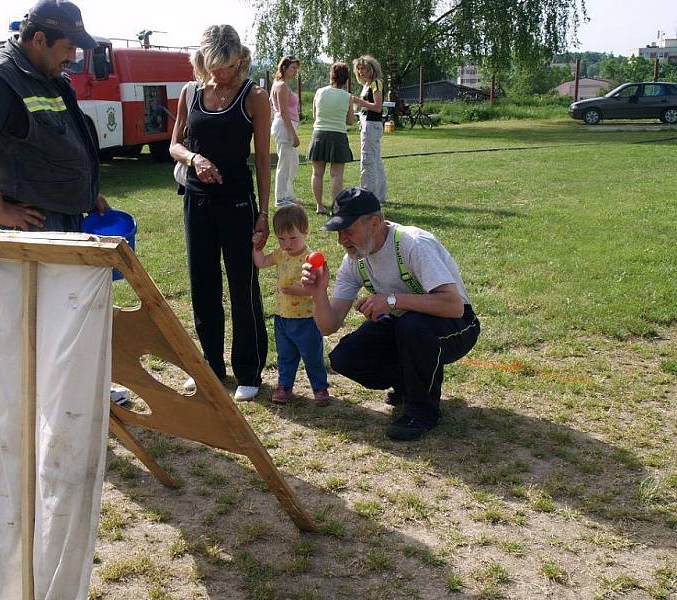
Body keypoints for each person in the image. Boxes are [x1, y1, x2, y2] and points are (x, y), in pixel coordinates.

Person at [301, 187, 480, 441]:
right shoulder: (354, 260)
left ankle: (422, 411)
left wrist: (391, 300)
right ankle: (409, 384)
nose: (342, 240)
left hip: (458, 326)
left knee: (413, 326)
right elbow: (328, 326)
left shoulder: (413, 244)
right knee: (345, 356)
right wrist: (318, 292)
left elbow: (453, 305)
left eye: (348, 230)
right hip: (405, 326)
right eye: (339, 232)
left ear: (374, 223)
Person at [169, 25, 270, 402]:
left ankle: (249, 368)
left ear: (239, 60)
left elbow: (262, 159)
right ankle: (210, 367)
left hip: (238, 201)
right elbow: (175, 144)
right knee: (203, 283)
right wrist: (195, 159)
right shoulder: (189, 92)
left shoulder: (254, 97)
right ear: (204, 60)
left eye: (228, 66)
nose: (221, 74)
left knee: (243, 284)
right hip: (197, 200)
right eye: (215, 66)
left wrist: (263, 213)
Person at [0, 0, 109, 232]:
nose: (73, 57)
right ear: (39, 40)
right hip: (32, 227)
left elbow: (62, 143)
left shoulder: (49, 75)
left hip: (63, 217)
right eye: (68, 47)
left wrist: (86, 194)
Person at [252, 204, 331, 406]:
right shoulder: (280, 253)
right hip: (283, 317)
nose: (287, 243)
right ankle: (284, 386)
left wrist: (300, 290)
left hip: (306, 319)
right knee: (285, 356)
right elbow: (261, 262)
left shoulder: (310, 258)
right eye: (281, 238)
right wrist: (256, 249)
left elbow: (317, 287)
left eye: (293, 238)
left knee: (312, 356)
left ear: (305, 232)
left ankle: (320, 388)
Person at [307, 62, 355, 215]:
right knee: (337, 175)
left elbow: (315, 115)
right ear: (346, 79)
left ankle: (319, 206)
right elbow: (350, 120)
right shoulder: (348, 97)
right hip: (338, 136)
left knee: (317, 173)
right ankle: (335, 207)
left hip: (319, 134)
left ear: (331, 76)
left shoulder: (319, 92)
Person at [351, 55, 387, 204]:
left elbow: (378, 107)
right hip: (367, 124)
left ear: (371, 69)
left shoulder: (376, 83)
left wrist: (359, 102)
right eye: (358, 69)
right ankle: (379, 195)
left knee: (368, 161)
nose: (360, 72)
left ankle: (368, 196)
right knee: (375, 160)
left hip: (371, 124)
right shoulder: (367, 85)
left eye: (363, 68)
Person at [270, 56, 302, 207]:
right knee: (285, 163)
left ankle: (288, 195)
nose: (295, 71)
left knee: (292, 163)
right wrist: (293, 134)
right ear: (284, 68)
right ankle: (281, 198)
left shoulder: (283, 85)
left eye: (296, 68)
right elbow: (283, 112)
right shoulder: (281, 85)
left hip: (287, 125)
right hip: (284, 127)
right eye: (293, 68)